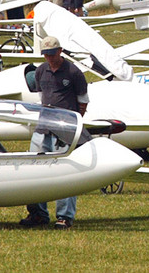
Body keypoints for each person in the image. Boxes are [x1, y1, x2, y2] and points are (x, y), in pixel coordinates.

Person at [19, 36, 89, 230]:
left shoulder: (74, 72)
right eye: (45, 54)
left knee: (66, 172)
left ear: (60, 51)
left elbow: (83, 101)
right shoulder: (41, 71)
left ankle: (65, 217)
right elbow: (43, 98)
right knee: (35, 170)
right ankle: (38, 214)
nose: (49, 58)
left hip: (65, 130)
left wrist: (73, 125)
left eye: (52, 53)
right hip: (43, 128)